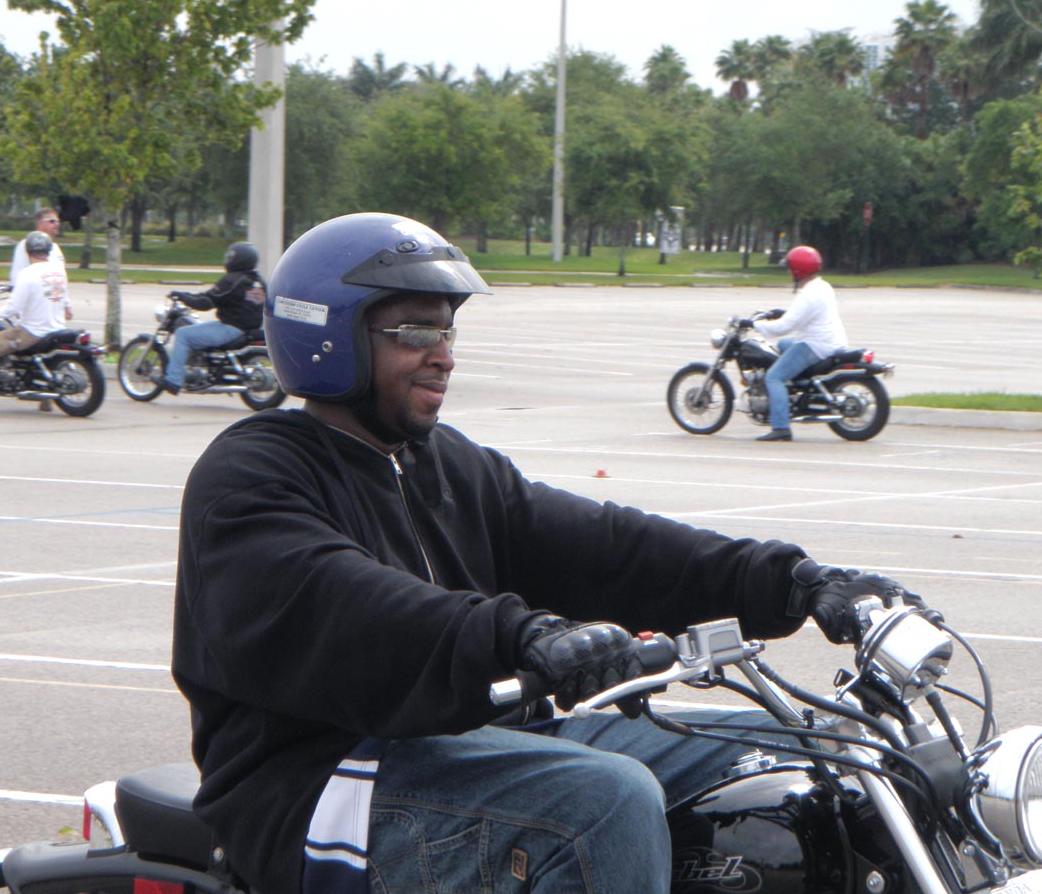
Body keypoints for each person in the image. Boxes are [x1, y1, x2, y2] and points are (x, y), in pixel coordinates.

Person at [171, 213, 920, 894]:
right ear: (329, 337)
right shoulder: (252, 476)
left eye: (447, 334)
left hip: (482, 747)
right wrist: (524, 636)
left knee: (804, 748)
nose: (443, 358)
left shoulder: (446, 464)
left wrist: (791, 582)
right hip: (323, 783)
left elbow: (608, 546)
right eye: (415, 333)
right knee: (604, 803)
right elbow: (346, 604)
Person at [0, 231, 71, 415]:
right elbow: (62, 298)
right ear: (49, 250)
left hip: (32, 332)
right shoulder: (58, 271)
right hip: (56, 329)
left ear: (28, 251)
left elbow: (13, 308)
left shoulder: (27, 274)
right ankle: (46, 401)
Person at [751, 245, 848, 442]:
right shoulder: (822, 286)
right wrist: (780, 313)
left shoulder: (808, 295)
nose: (788, 271)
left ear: (798, 270)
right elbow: (802, 316)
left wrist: (755, 325)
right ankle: (795, 387)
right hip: (831, 341)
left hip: (816, 345)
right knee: (783, 345)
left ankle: (780, 427)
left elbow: (783, 327)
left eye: (790, 268)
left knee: (774, 377)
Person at [156, 241, 266, 395]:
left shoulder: (232, 279)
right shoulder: (259, 282)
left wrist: (183, 297)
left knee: (183, 334)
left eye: (231, 257)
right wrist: (189, 296)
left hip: (230, 329)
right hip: (249, 329)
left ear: (238, 259)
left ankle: (173, 381)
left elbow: (206, 302)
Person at [10, 207, 66, 288]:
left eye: (58, 221)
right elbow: (17, 274)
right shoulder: (27, 245)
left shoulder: (55, 247)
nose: (57, 224)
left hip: (54, 293)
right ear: (40, 223)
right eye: (52, 221)